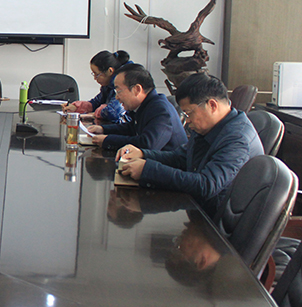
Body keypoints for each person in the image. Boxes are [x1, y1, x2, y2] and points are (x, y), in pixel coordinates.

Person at [117, 73, 263, 216]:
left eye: (189, 113)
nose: (187, 121)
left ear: (212, 105)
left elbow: (206, 185)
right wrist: (143, 154)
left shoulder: (237, 139)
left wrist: (148, 170)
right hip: (197, 207)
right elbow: (181, 158)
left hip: (213, 220)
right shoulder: (209, 125)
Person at [87, 64, 187, 151]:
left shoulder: (160, 109)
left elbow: (147, 144)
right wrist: (103, 129)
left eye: (119, 91)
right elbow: (132, 128)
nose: (116, 97)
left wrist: (108, 140)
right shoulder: (147, 104)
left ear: (137, 89)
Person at [63, 50, 130, 123]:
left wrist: (95, 113)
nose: (95, 78)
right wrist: (77, 107)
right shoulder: (107, 86)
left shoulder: (123, 85)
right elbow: (96, 103)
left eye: (97, 74)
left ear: (110, 71)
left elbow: (113, 112)